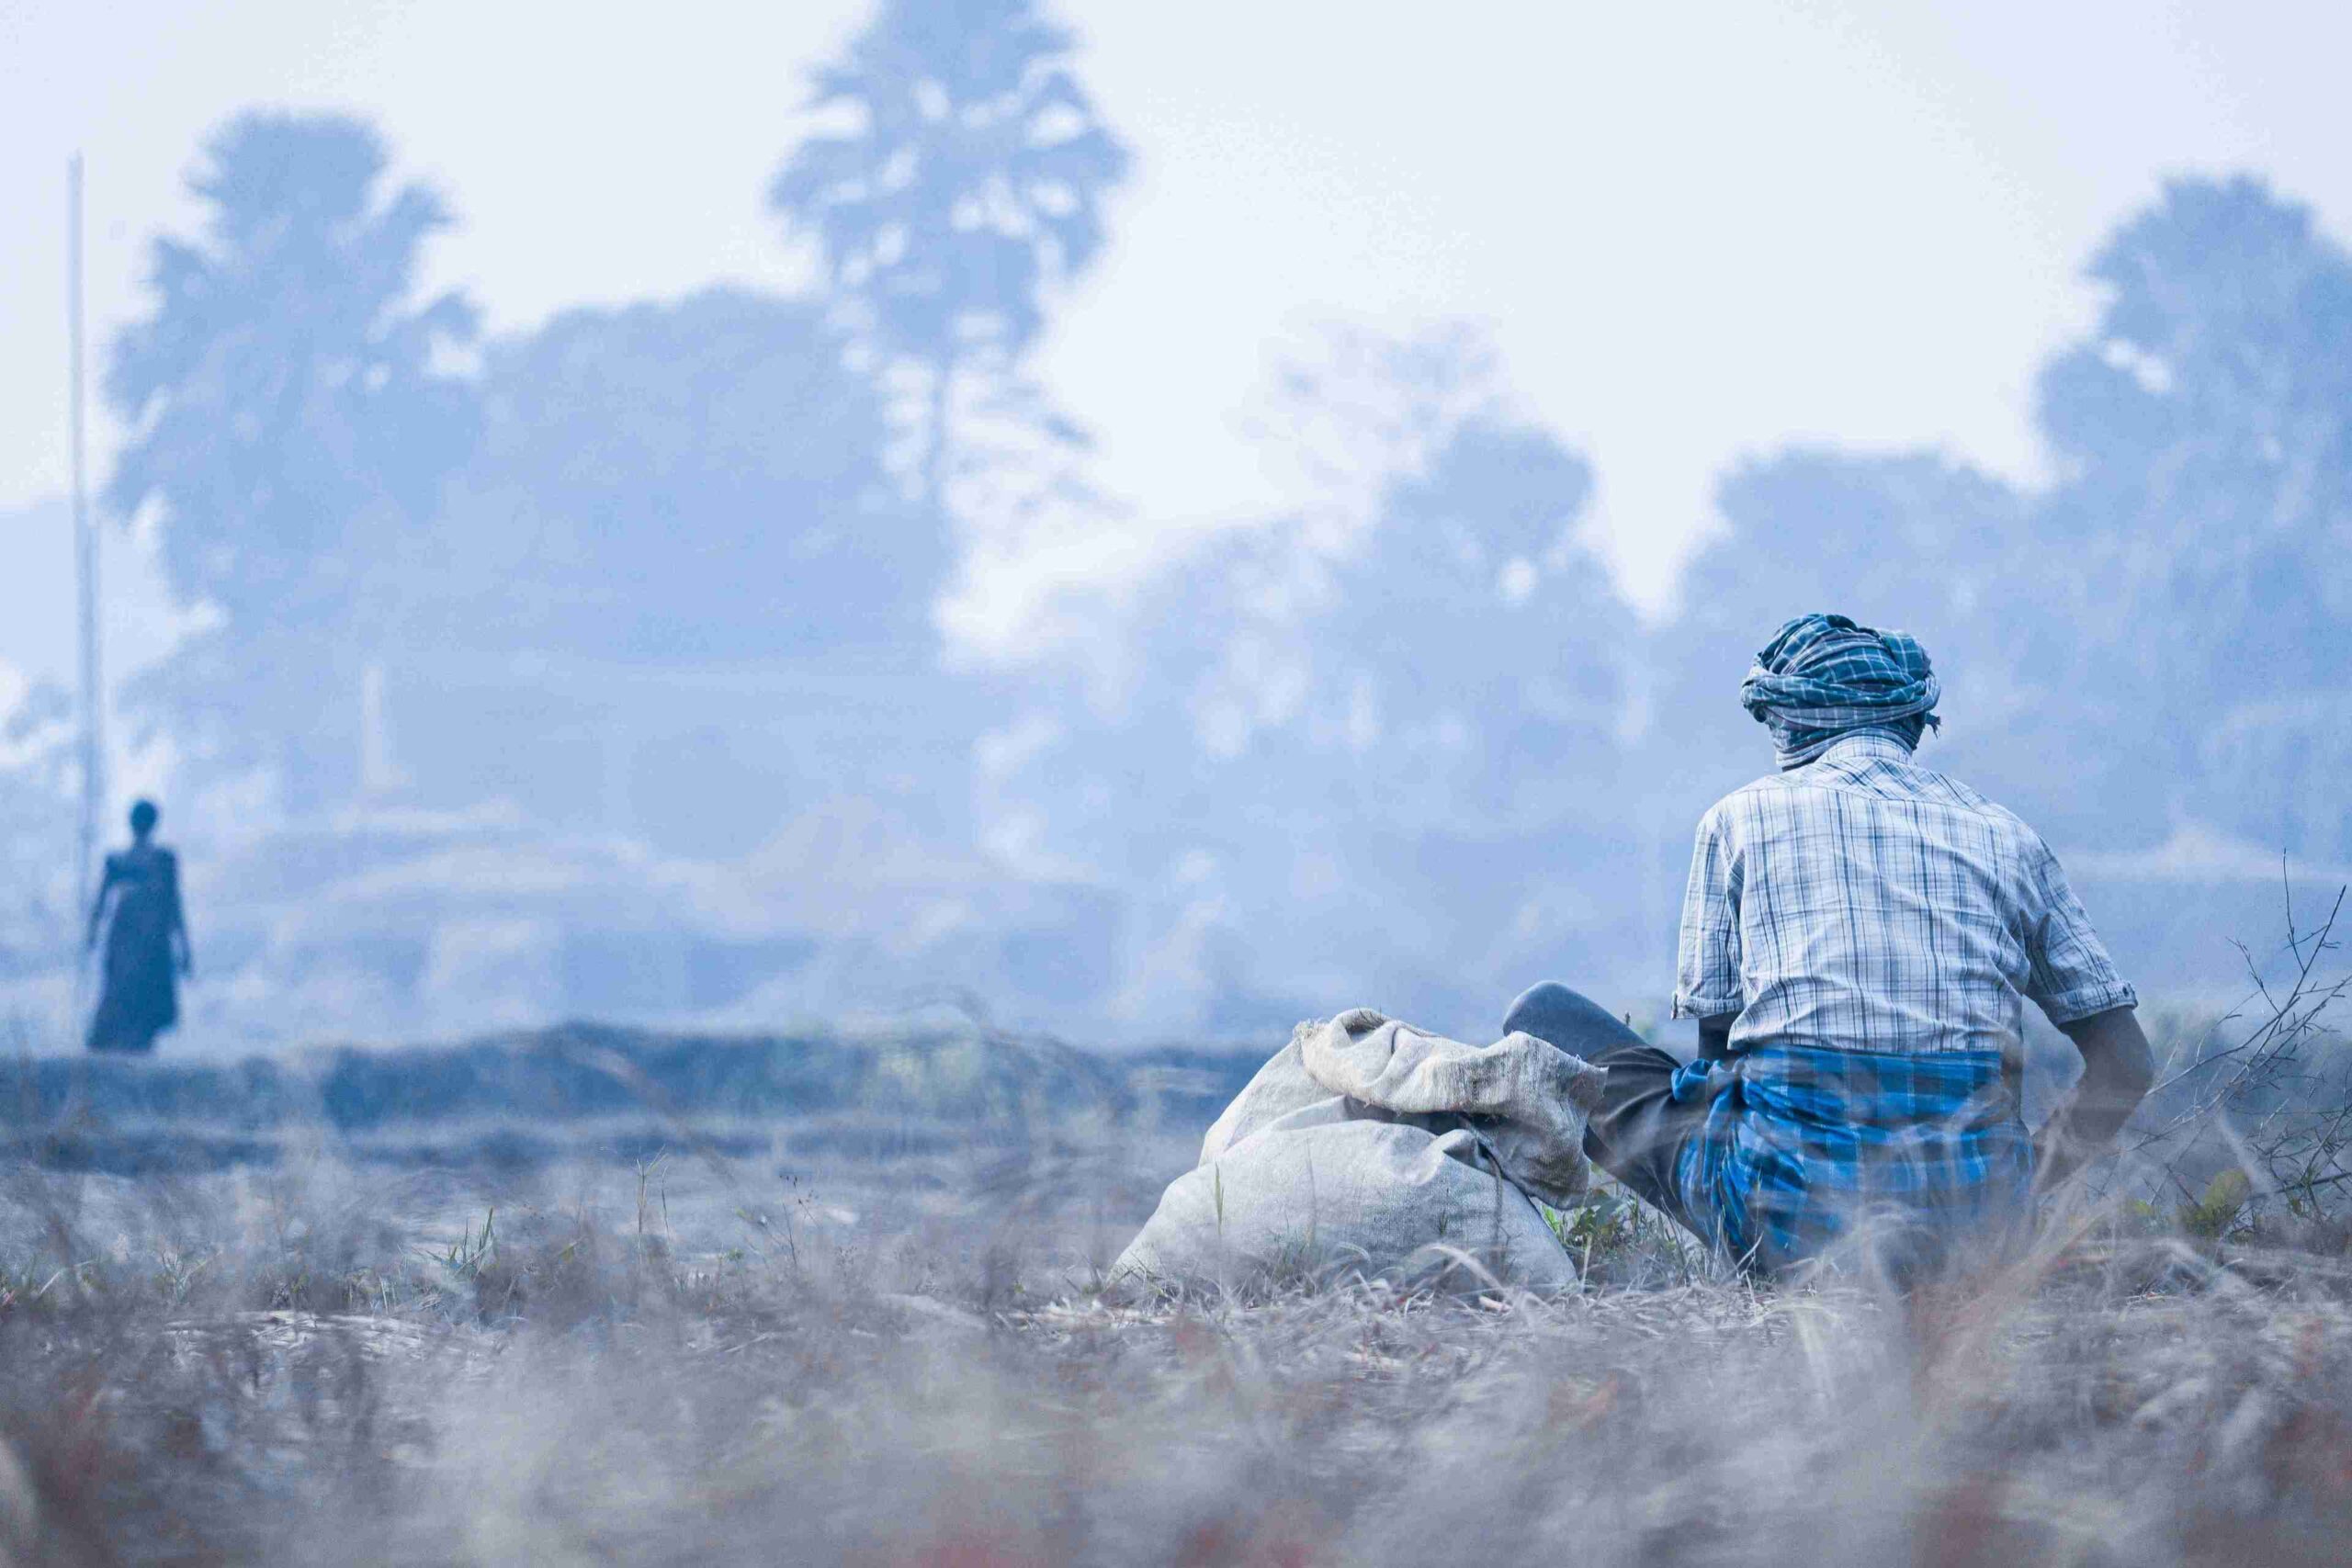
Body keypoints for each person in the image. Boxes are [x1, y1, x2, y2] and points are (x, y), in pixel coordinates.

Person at [1507, 613, 2154, 1280]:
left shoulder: (1740, 819)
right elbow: (2127, 1060)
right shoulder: (2009, 836)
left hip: (1788, 1228)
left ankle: (1756, 1264)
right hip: (1980, 1239)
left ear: (1788, 721)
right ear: (1907, 718)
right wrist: (2011, 1197)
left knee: (1544, 1017)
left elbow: (1721, 1072)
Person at [84, 798, 192, 1055]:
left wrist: (185, 947)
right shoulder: (121, 861)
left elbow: (173, 903)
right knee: (124, 994)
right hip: (132, 937)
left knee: (142, 999)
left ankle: (134, 1050)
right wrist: (185, 947)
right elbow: (102, 900)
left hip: (148, 939)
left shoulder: (160, 860)